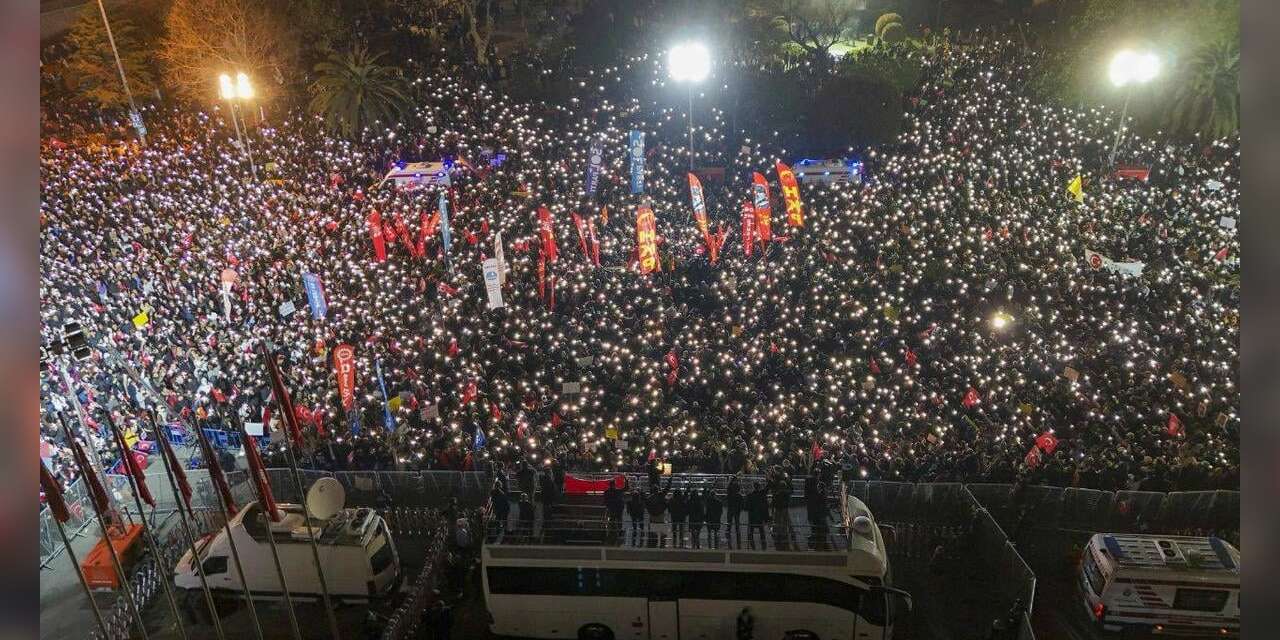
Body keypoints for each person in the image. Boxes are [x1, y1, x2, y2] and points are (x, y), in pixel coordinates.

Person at [746, 482, 769, 550]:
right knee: (761, 531)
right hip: (760, 516)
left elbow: (746, 507)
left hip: (752, 517)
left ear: (753, 487)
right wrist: (766, 517)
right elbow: (765, 507)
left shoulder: (749, 495)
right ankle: (764, 546)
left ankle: (752, 546)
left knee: (751, 532)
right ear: (759, 487)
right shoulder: (762, 495)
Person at [603, 477, 626, 544]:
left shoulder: (607, 492)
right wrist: (626, 480)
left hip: (613, 509)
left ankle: (613, 532)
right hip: (617, 509)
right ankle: (617, 532)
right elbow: (626, 488)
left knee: (613, 520)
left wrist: (608, 506)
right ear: (614, 484)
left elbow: (605, 501)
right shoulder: (617, 491)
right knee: (618, 520)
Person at [726, 475, 743, 547]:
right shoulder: (739, 495)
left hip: (731, 508)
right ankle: (738, 540)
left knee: (729, 522)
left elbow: (728, 491)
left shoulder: (730, 493)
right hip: (736, 509)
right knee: (737, 522)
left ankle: (728, 532)